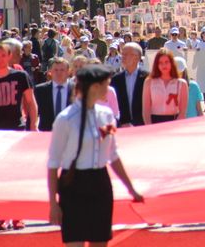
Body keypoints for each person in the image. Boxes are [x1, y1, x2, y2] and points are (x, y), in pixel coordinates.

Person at [47, 65, 143, 246]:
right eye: (105, 84)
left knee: (100, 240)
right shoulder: (65, 119)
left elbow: (113, 155)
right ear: (94, 87)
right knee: (75, 241)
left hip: (100, 183)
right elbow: (53, 163)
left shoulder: (107, 115)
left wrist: (131, 188)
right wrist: (53, 203)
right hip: (73, 184)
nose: (109, 88)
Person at [142, 48, 188, 124]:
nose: (164, 65)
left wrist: (175, 126)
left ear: (172, 63)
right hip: (154, 122)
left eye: (167, 62)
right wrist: (149, 127)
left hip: (174, 122)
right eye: (160, 63)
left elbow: (183, 112)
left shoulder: (182, 84)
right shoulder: (149, 82)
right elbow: (146, 110)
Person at [110, 43, 146, 127]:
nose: (123, 57)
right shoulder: (115, 79)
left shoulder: (147, 78)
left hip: (143, 126)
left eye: (126, 54)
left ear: (137, 57)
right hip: (122, 127)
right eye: (122, 54)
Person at [35, 58, 75, 132]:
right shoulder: (40, 90)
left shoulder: (77, 90)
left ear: (68, 72)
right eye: (56, 70)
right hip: (46, 133)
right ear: (50, 72)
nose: (59, 73)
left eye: (62, 70)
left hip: (71, 133)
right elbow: (33, 114)